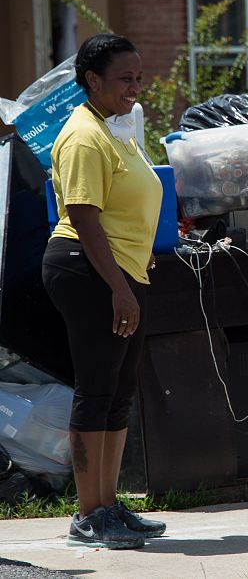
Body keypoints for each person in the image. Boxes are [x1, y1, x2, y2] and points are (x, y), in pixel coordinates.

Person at [42, 33, 166, 549]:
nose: (135, 87)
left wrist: (134, 268)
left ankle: (109, 506)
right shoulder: (82, 136)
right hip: (88, 271)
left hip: (119, 273)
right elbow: (84, 217)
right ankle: (88, 515)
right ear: (92, 81)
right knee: (96, 392)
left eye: (139, 77)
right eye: (125, 78)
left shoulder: (115, 130)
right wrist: (118, 287)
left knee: (119, 394)